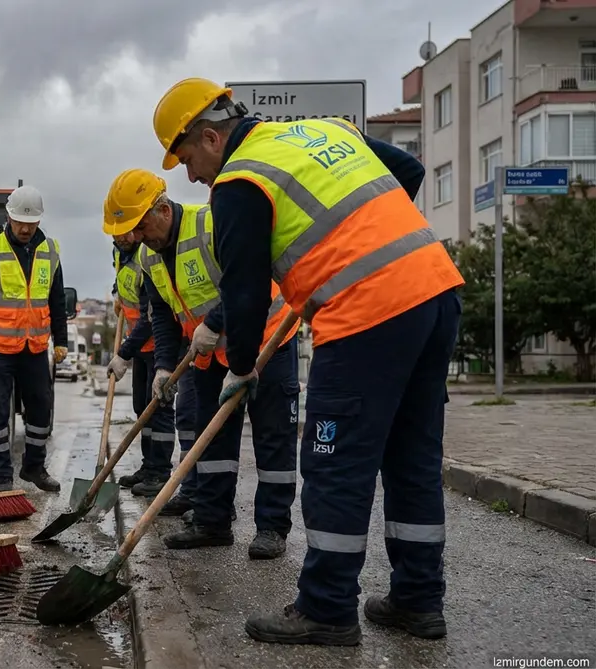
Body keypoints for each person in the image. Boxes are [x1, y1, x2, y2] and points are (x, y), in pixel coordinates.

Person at [152, 78, 464, 646]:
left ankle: (326, 608)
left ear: (211, 135)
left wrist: (240, 368)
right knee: (411, 455)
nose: (192, 175)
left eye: (188, 158)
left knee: (332, 460)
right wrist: (362, 247)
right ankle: (419, 601)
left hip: (368, 314)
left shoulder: (241, 182)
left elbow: (245, 295)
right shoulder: (322, 130)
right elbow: (409, 174)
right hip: (434, 292)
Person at [102, 168, 301, 562]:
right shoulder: (147, 254)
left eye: (141, 227)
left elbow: (247, 279)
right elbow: (160, 311)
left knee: (272, 436)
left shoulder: (212, 223)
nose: (139, 238)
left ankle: (272, 528)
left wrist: (213, 324)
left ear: (161, 210)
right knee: (212, 438)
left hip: (266, 343)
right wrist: (162, 365)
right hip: (208, 355)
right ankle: (212, 520)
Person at [0, 184, 67, 492]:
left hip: (34, 347)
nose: (24, 228)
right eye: (19, 221)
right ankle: (2, 478)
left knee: (40, 410)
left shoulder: (50, 251)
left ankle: (34, 467)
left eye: (30, 222)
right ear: (8, 218)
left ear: (38, 221)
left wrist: (60, 340)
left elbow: (57, 300)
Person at [105, 238, 177, 498]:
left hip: (160, 346)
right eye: (116, 234)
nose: (122, 238)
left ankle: (160, 472)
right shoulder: (119, 252)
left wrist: (124, 352)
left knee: (158, 410)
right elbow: (122, 281)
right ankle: (149, 466)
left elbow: (151, 318)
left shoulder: (148, 254)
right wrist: (117, 294)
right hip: (142, 348)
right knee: (141, 408)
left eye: (126, 233)